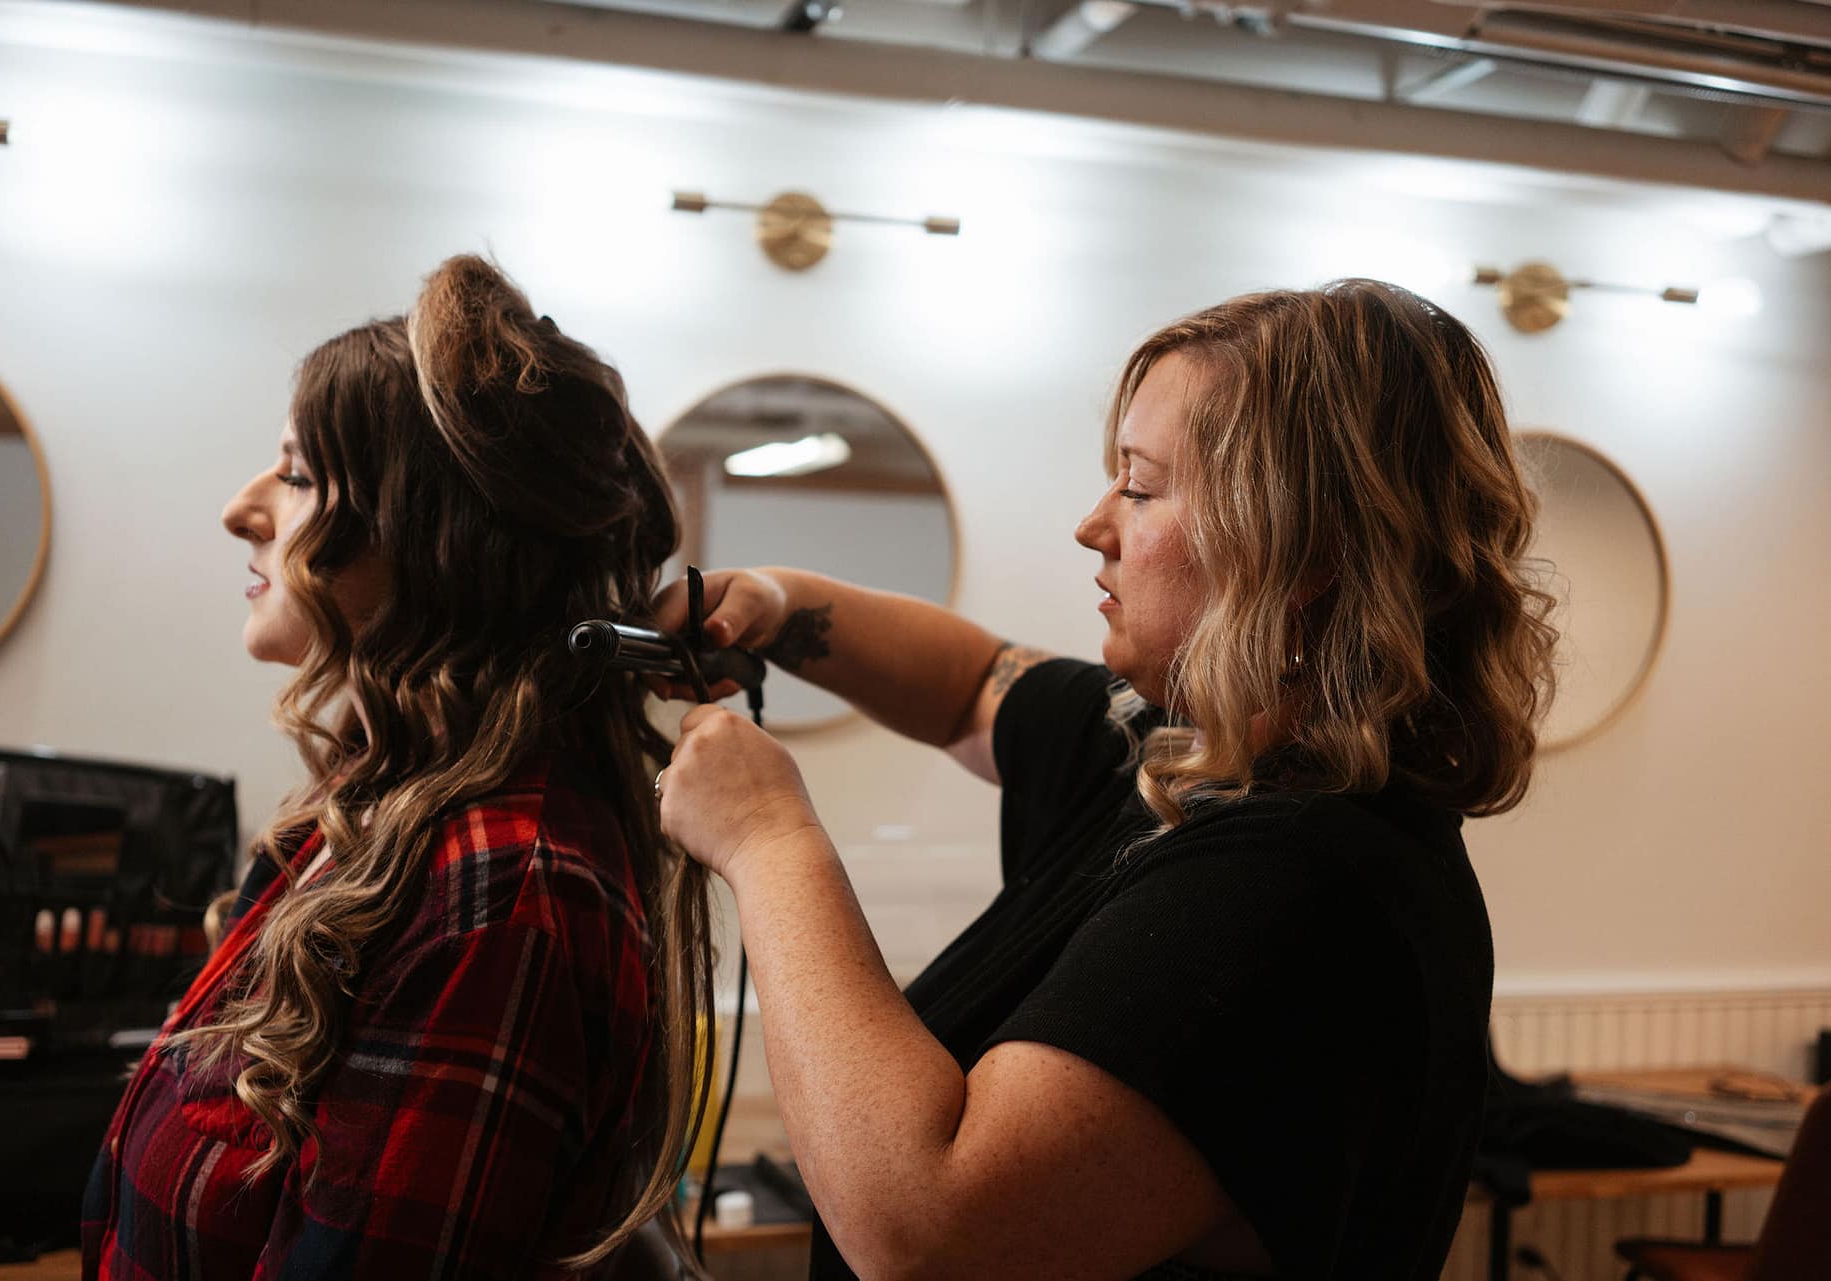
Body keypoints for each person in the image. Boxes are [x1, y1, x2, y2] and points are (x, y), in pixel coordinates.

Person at [653, 280, 1556, 1281]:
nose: (1094, 525)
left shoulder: (1299, 889)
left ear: (1304, 546)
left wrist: (770, 840)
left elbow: (929, 1230)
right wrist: (780, 605)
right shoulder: (1183, 757)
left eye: (1140, 486)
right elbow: (972, 685)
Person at [82, 255, 714, 1280]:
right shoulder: (373, 819)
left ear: (428, 535)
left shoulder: (502, 889)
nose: (242, 509)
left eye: (295, 475)